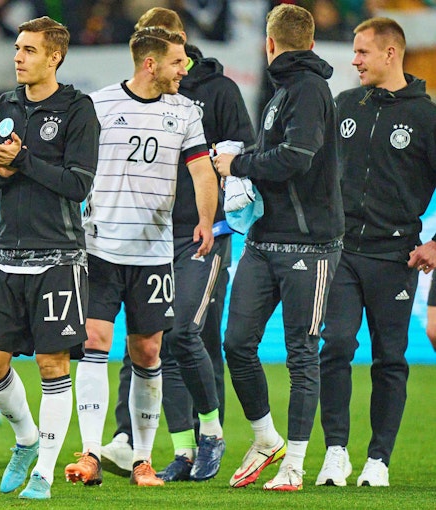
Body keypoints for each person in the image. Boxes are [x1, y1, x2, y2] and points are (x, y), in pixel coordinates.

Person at [94, 6, 254, 484]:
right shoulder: (120, 102)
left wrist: (214, 213)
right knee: (147, 343)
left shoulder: (215, 92)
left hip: (201, 237)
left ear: (181, 41)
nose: (179, 65)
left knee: (190, 333)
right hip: (149, 237)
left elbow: (237, 150)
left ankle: (211, 434)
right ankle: (159, 444)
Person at [70, 25, 217, 489]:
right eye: (177, 61)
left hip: (153, 251)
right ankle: (91, 451)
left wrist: (206, 220)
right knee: (94, 340)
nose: (185, 69)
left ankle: (142, 459)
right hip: (99, 247)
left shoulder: (187, 111)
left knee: (147, 349)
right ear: (149, 63)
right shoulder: (98, 105)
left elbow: (202, 172)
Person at [0, 16, 100, 500]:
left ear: (54, 57)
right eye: (17, 48)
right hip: (7, 258)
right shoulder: (3, 105)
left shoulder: (77, 109)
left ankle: (43, 471)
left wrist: (21, 162)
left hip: (60, 256)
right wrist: (2, 172)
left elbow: (78, 184)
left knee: (51, 364)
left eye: (28, 50)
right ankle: (25, 439)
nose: (18, 57)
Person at [213, 3, 343, 491]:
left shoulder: (307, 89)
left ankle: (295, 466)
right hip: (266, 240)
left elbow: (296, 157)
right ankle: (268, 439)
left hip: (309, 245)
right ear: (308, 42)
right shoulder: (286, 90)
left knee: (300, 353)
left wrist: (238, 164)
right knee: (237, 344)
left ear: (269, 44)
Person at [318, 17, 436, 488]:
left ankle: (378, 461)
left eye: (363, 52)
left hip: (396, 258)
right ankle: (336, 453)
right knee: (337, 345)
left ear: (391, 54)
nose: (354, 60)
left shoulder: (427, 118)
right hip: (343, 251)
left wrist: (434, 243)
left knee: (390, 358)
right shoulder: (346, 104)